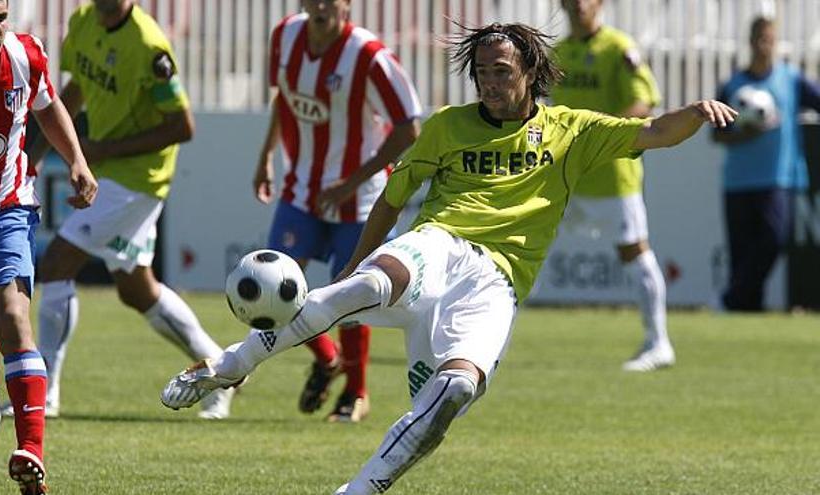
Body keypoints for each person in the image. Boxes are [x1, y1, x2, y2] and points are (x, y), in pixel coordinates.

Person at [161, 22, 735, 494]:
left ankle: (356, 490)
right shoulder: (447, 126)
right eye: (481, 72)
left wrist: (698, 110)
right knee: (361, 288)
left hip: (496, 282)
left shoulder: (571, 130)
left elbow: (657, 130)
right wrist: (358, 264)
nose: (487, 83)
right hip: (439, 241)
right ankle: (225, 368)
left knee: (454, 391)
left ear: (530, 73)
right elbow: (391, 201)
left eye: (500, 72)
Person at [1, 0, 234, 420]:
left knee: (56, 263)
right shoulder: (84, 21)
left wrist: (102, 150)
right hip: (110, 173)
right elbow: (72, 91)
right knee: (135, 289)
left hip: (137, 180)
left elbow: (182, 126)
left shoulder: (149, 46)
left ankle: (44, 393)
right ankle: (221, 367)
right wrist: (35, 153)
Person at [0, 0, 97, 492]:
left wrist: (77, 160)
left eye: (1, 15)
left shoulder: (26, 57)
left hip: (4, 211)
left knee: (12, 317)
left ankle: (31, 452)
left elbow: (49, 109)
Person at [252, 0, 420, 422]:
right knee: (269, 288)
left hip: (359, 199)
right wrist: (265, 156)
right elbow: (283, 99)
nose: (323, 5)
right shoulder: (285, 35)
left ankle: (355, 393)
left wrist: (351, 181)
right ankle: (328, 360)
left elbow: (409, 126)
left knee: (348, 296)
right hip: (302, 191)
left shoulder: (369, 55)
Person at [550, 0, 674, 371]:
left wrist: (601, 135)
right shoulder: (557, 53)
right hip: (567, 174)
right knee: (526, 245)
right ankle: (488, 336)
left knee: (633, 252)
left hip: (612, 175)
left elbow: (645, 101)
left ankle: (658, 342)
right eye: (570, 1)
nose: (577, 6)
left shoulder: (619, 48)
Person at [712, 17, 820, 311]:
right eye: (760, 38)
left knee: (774, 240)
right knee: (741, 253)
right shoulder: (733, 85)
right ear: (750, 41)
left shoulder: (792, 80)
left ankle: (730, 300)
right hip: (738, 181)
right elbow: (717, 136)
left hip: (777, 178)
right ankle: (745, 312)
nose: (764, 44)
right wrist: (743, 134)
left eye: (769, 38)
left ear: (776, 42)